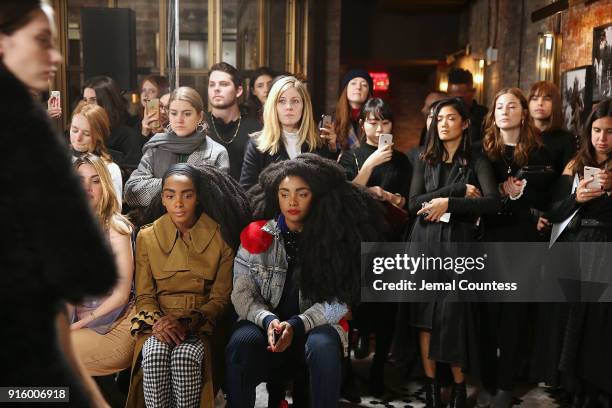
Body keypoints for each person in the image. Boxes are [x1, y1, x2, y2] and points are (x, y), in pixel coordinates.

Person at [0, 1, 115, 406]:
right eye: (42, 41)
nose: (57, 56)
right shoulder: (25, 133)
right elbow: (90, 271)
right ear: (2, 42)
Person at [226, 154, 386, 408]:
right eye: (284, 193)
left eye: (302, 193)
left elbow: (341, 301)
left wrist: (297, 325)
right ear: (275, 196)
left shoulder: (337, 239)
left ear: (316, 196)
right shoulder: (256, 235)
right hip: (265, 324)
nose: (292, 201)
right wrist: (268, 320)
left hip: (314, 325)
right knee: (240, 342)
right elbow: (242, 294)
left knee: (323, 345)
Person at [126, 163, 251, 408]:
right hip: (157, 322)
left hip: (201, 323)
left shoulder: (220, 237)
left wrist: (188, 321)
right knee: (153, 354)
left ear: (198, 197)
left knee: (186, 356)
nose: (179, 203)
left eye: (187, 195)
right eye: (171, 196)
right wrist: (160, 324)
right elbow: (144, 294)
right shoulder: (146, 237)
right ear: (162, 199)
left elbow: (220, 298)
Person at [408, 97, 500, 408]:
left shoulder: (477, 159)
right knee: (425, 318)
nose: (443, 123)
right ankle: (432, 389)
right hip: (425, 242)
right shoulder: (425, 157)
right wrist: (455, 193)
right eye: (438, 118)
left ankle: (459, 390)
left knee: (455, 316)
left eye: (450, 118)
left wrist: (449, 205)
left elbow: (492, 203)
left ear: (464, 123)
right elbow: (413, 203)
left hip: (459, 243)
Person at [479, 88, 554, 408]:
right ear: (493, 113)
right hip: (489, 239)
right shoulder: (482, 151)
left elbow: (548, 199)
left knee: (514, 316)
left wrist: (527, 202)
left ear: (524, 113)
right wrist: (500, 191)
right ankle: (486, 380)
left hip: (523, 240)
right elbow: (479, 196)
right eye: (499, 106)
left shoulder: (539, 152)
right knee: (486, 314)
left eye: (512, 106)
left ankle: (506, 385)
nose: (505, 111)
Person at [338, 98, 411, 396]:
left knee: (386, 314)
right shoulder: (350, 157)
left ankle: (379, 371)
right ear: (362, 124)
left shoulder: (403, 160)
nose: (378, 127)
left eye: (384, 122)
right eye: (372, 121)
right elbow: (342, 196)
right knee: (351, 311)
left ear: (392, 125)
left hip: (390, 240)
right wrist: (369, 168)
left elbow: (409, 200)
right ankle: (346, 375)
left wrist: (391, 198)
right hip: (355, 242)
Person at [546, 99, 612, 406]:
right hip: (576, 245)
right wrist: (577, 197)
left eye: (610, 132)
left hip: (606, 247)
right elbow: (555, 211)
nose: (602, 138)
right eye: (597, 130)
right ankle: (570, 385)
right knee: (572, 318)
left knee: (599, 322)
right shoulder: (575, 163)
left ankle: (596, 388)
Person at [70, 154, 135, 376]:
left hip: (112, 327)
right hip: (79, 324)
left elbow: (121, 295)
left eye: (95, 180)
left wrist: (76, 325)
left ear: (105, 186)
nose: (87, 187)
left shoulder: (116, 227)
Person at [124, 86, 229, 212]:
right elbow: (132, 193)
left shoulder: (216, 152)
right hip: (158, 225)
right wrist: (176, 185)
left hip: (201, 227)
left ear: (199, 116)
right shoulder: (157, 147)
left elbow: (217, 200)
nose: (179, 120)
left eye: (187, 114)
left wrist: (166, 191)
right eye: (174, 113)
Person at [240, 76, 337, 191]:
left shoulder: (318, 142)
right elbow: (248, 191)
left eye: (295, 101)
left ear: (304, 106)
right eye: (282, 101)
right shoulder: (257, 144)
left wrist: (333, 149)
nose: (289, 107)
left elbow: (331, 188)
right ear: (273, 106)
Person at [206, 62, 261, 180]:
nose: (216, 89)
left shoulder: (255, 128)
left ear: (238, 91)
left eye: (224, 84)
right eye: (212, 85)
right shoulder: (199, 125)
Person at [69, 101, 123, 205]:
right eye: (74, 130)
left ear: (99, 136)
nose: (78, 138)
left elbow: (114, 211)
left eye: (86, 133)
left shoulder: (110, 169)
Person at [83, 75, 143, 168]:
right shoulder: (79, 130)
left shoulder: (127, 135)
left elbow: (132, 173)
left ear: (107, 102)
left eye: (93, 100)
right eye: (85, 100)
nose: (86, 105)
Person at [330, 69, 373, 150]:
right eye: (353, 83)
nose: (358, 87)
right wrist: (332, 146)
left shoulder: (376, 122)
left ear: (369, 92)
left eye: (364, 85)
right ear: (345, 89)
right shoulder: (331, 122)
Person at [447, 68, 488, 146]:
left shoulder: (484, 116)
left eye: (459, 98)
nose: (454, 101)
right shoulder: (440, 115)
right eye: (450, 97)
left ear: (473, 92)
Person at [138, 74, 170, 140]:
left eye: (151, 91)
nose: (145, 95)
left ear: (162, 93)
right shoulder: (133, 122)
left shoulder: (169, 120)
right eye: (143, 90)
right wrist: (144, 133)